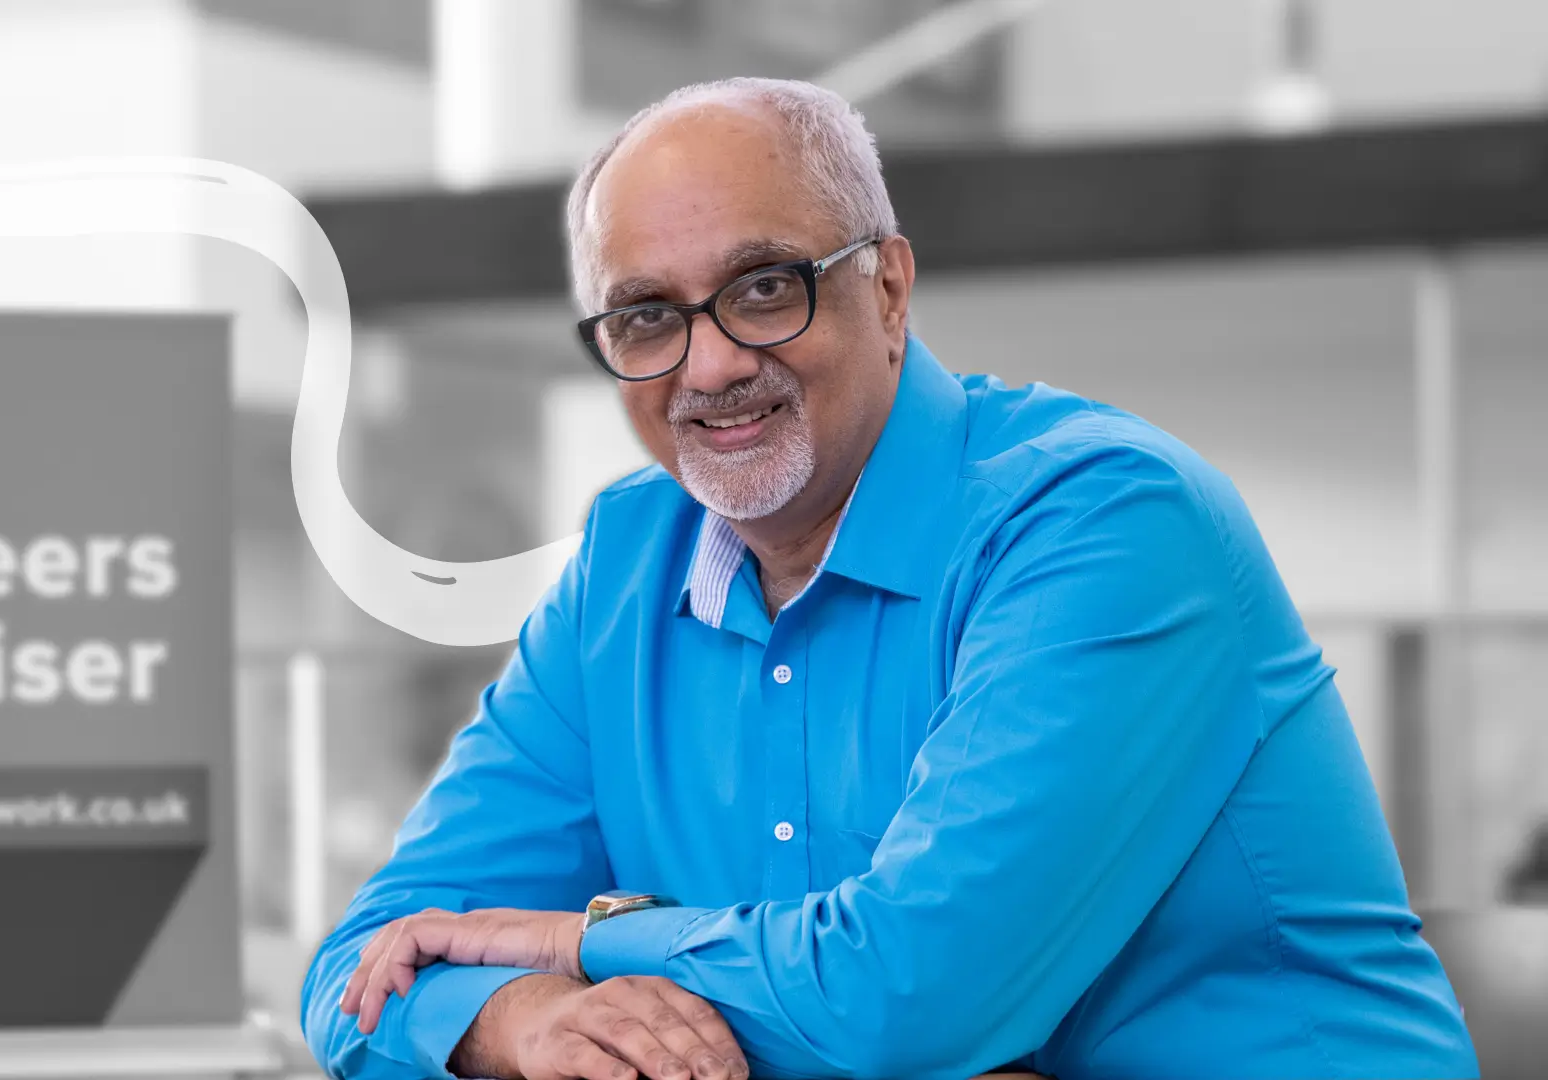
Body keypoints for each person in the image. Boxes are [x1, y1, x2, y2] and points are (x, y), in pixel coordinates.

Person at [300, 77, 1480, 1080]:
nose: (708, 364)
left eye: (765, 287)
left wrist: (594, 941)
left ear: (891, 289)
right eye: (646, 315)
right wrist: (520, 1019)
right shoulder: (624, 566)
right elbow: (360, 961)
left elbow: (910, 997)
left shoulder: (1103, 521)